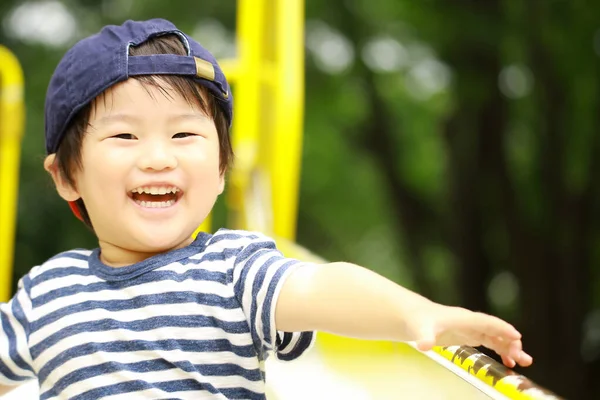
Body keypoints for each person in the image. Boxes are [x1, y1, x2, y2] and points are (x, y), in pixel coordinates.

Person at [0, 18, 532, 399]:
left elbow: (324, 287)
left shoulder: (233, 269)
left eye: (184, 133)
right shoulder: (47, 293)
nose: (158, 158)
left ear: (221, 169)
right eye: (125, 135)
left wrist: (421, 314)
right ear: (68, 175)